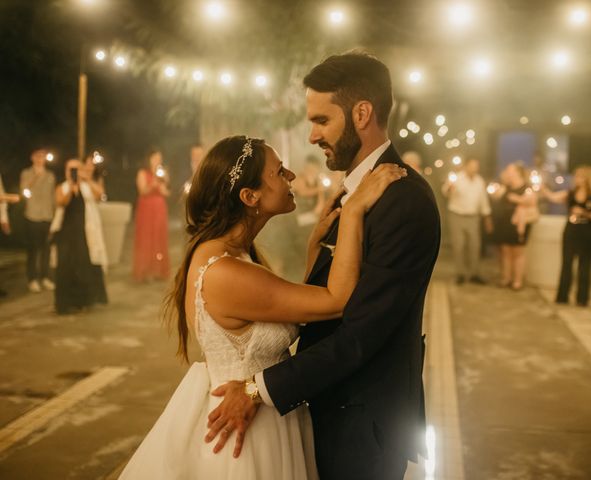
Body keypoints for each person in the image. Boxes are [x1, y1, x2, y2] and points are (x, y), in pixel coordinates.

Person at [207, 53, 441, 480]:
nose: (313, 135)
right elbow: (321, 300)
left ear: (362, 113)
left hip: (362, 424)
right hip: (325, 408)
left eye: (321, 120)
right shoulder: (352, 194)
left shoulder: (403, 200)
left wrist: (258, 390)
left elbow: (360, 334)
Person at [118, 136, 406, 479]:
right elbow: (338, 301)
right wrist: (356, 209)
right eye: (279, 171)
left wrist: (315, 246)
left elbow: (288, 307)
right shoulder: (227, 272)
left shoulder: (230, 255)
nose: (292, 176)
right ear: (249, 196)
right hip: (248, 433)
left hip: (261, 415)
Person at [50, 159, 108, 314]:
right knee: (65, 267)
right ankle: (64, 304)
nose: (74, 172)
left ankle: (82, 301)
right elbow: (60, 202)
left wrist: (87, 179)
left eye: (77, 169)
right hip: (66, 233)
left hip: (83, 233)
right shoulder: (62, 187)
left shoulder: (86, 186)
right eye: (71, 169)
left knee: (82, 267)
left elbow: (100, 194)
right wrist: (71, 187)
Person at [542, 166, 591, 306]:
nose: (577, 179)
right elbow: (553, 197)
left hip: (586, 231)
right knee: (566, 264)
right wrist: (543, 188)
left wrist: (584, 213)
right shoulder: (570, 193)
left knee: (584, 266)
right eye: (576, 176)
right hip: (571, 230)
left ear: (587, 179)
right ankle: (562, 296)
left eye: (580, 176)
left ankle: (582, 299)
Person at [441, 157, 493, 284]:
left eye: (476, 166)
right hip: (457, 215)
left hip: (473, 217)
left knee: (475, 245)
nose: (474, 168)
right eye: (472, 165)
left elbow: (483, 200)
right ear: (466, 166)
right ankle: (460, 273)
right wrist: (449, 188)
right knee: (459, 245)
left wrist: (487, 217)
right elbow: (445, 192)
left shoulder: (479, 181)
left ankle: (474, 273)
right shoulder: (457, 178)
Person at [491, 162, 538, 290]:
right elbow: (495, 196)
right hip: (505, 222)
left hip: (519, 223)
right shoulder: (505, 187)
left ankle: (517, 281)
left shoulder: (527, 188)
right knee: (505, 251)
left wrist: (515, 199)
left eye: (510, 170)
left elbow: (531, 201)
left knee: (518, 252)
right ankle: (506, 278)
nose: (507, 172)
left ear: (518, 172)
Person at [20, 149, 56, 293]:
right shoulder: (26, 173)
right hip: (32, 215)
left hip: (47, 216)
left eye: (43, 156)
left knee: (46, 248)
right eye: (37, 156)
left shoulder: (50, 175)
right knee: (33, 249)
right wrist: (35, 177)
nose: (40, 159)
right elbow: (24, 191)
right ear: (32, 157)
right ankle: (32, 279)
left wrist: (55, 215)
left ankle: (45, 277)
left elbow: (52, 196)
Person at [133, 149, 170, 282]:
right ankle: (145, 271)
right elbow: (142, 191)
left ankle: (158, 270)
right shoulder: (142, 173)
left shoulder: (162, 173)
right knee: (147, 238)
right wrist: (153, 184)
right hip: (146, 208)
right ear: (149, 159)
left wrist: (162, 183)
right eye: (155, 158)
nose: (158, 161)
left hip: (159, 208)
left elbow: (166, 192)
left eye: (159, 158)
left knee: (158, 237)